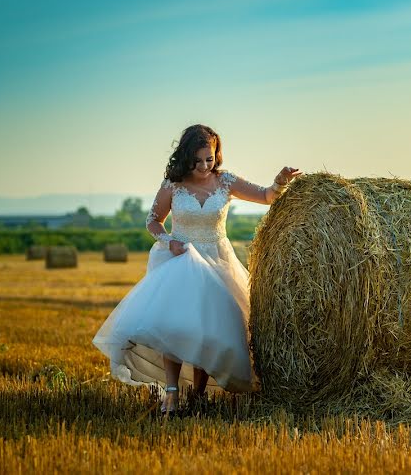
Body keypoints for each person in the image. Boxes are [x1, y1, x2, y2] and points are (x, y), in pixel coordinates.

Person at [92, 124, 301, 416]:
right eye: (199, 159)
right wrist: (169, 241)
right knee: (175, 326)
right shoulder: (173, 185)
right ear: (187, 155)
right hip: (182, 260)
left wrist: (280, 182)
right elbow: (153, 221)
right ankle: (172, 392)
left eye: (210, 159)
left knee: (209, 331)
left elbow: (266, 196)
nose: (204, 166)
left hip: (218, 261)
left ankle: (199, 395)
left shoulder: (226, 182)